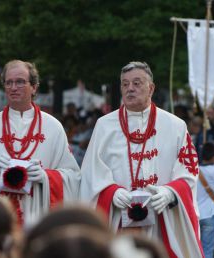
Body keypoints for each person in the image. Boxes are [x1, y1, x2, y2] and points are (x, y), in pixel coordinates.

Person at [80, 61, 203, 258]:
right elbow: (90, 173)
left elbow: (189, 172)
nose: (130, 89)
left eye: (137, 83)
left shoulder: (176, 126)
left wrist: (170, 192)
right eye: (125, 84)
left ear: (151, 88)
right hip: (119, 220)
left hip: (163, 221)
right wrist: (111, 192)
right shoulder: (104, 125)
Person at [0, 60, 80, 226]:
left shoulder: (53, 127)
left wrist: (45, 176)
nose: (13, 87)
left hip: (37, 215)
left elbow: (73, 176)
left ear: (34, 87)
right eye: (9, 82)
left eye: (20, 82)